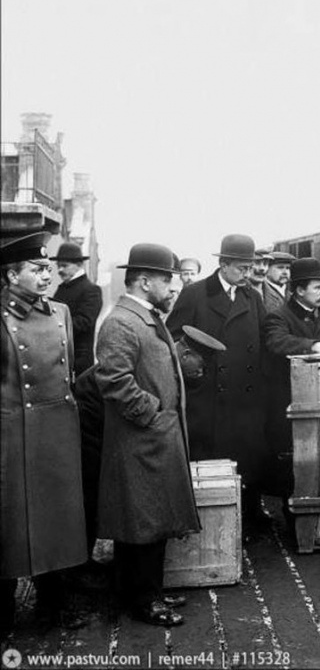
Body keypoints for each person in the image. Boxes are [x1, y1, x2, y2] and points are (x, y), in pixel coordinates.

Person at [94, 242, 200, 627]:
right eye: (165, 279)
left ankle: (146, 590)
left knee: (151, 522)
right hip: (142, 440)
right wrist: (152, 414)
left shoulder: (143, 317)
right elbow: (113, 380)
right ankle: (143, 600)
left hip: (154, 439)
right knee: (140, 524)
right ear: (143, 281)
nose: (172, 286)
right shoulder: (122, 322)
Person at [75, 325, 226, 564]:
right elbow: (114, 389)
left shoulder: (170, 361)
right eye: (201, 366)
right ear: (185, 355)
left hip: (113, 428)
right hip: (91, 426)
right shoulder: (157, 363)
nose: (202, 373)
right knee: (92, 500)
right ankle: (82, 568)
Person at [1, 231, 88, 631]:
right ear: (10, 275)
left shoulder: (60, 313)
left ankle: (53, 605)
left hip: (57, 432)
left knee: (57, 522)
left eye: (48, 269)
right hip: (12, 437)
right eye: (36, 270)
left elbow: (67, 370)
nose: (46, 276)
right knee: (11, 525)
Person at [166, 234, 268, 524]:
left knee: (247, 457)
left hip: (245, 399)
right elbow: (172, 337)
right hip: (209, 396)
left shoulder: (253, 297)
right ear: (223, 264)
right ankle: (210, 519)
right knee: (211, 460)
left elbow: (264, 339)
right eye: (241, 268)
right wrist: (190, 362)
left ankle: (249, 513)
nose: (248, 274)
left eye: (250, 268)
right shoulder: (195, 294)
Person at [263, 257, 320, 501]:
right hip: (292, 402)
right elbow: (277, 342)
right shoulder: (279, 317)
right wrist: (313, 345)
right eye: (317, 288)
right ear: (298, 290)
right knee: (296, 464)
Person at [50, 241, 103, 375]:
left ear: (79, 265)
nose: (60, 270)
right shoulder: (62, 288)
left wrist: (51, 327)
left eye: (64, 266)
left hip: (78, 362)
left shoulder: (91, 290)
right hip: (58, 357)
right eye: (58, 266)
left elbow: (84, 322)